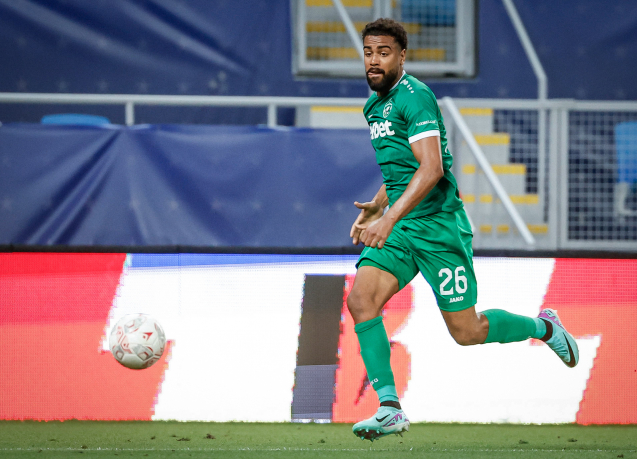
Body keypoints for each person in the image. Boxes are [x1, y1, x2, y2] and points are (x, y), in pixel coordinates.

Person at [347, 18, 579, 442]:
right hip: (402, 227)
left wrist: (388, 218)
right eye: (368, 53)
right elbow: (403, 167)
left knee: (467, 331)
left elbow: (432, 168)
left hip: (438, 228)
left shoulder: (415, 97)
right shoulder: (373, 106)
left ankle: (545, 327)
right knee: (361, 301)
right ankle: (389, 408)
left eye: (383, 52)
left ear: (402, 56)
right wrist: (378, 205)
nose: (374, 61)